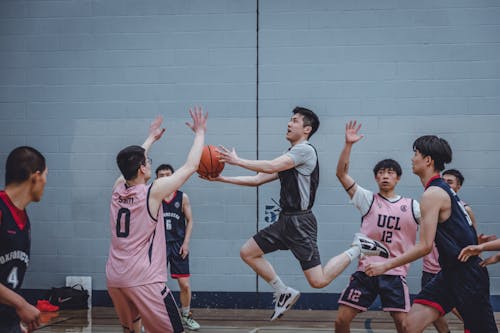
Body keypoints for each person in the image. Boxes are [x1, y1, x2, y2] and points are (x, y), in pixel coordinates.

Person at [205, 107, 388, 321]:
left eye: (294, 120)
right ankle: (283, 291)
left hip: (301, 222)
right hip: (285, 220)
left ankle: (359, 247)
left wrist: (238, 160)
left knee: (318, 281)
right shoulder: (290, 155)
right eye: (290, 120)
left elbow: (270, 165)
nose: (289, 123)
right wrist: (222, 179)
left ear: (307, 129)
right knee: (248, 252)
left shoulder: (305, 151)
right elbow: (257, 180)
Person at [365, 135, 497, 333]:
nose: (412, 158)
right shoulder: (441, 191)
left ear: (428, 160)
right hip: (450, 273)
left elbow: (424, 246)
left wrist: (386, 265)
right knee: (410, 325)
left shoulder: (432, 194)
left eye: (416, 153)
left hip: (468, 275)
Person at [106, 108, 207, 333]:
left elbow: (129, 166)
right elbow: (191, 166)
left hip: (115, 279)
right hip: (144, 280)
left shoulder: (116, 189)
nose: (150, 164)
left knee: (131, 330)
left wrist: (151, 138)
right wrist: (200, 133)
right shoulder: (152, 192)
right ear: (142, 168)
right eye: (147, 162)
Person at [335, 121, 419, 333]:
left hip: (394, 271)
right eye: (381, 172)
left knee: (404, 325)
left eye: (390, 172)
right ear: (375, 177)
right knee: (341, 320)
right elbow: (341, 175)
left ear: (398, 178)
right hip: (367, 272)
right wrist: (348, 145)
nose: (385, 176)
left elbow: (435, 228)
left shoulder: (412, 206)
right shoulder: (367, 200)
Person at [0, 146, 47, 333]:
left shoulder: (23, 217)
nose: (45, 182)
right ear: (35, 177)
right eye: (45, 176)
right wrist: (21, 304)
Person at [155, 164, 201, 331]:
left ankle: (186, 315)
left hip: (177, 244)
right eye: (161, 175)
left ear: (174, 176)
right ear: (157, 179)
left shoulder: (182, 197)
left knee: (185, 284)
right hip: (158, 245)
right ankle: (152, 318)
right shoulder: (153, 197)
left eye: (168, 174)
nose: (165, 177)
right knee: (153, 285)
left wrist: (186, 242)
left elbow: (191, 220)